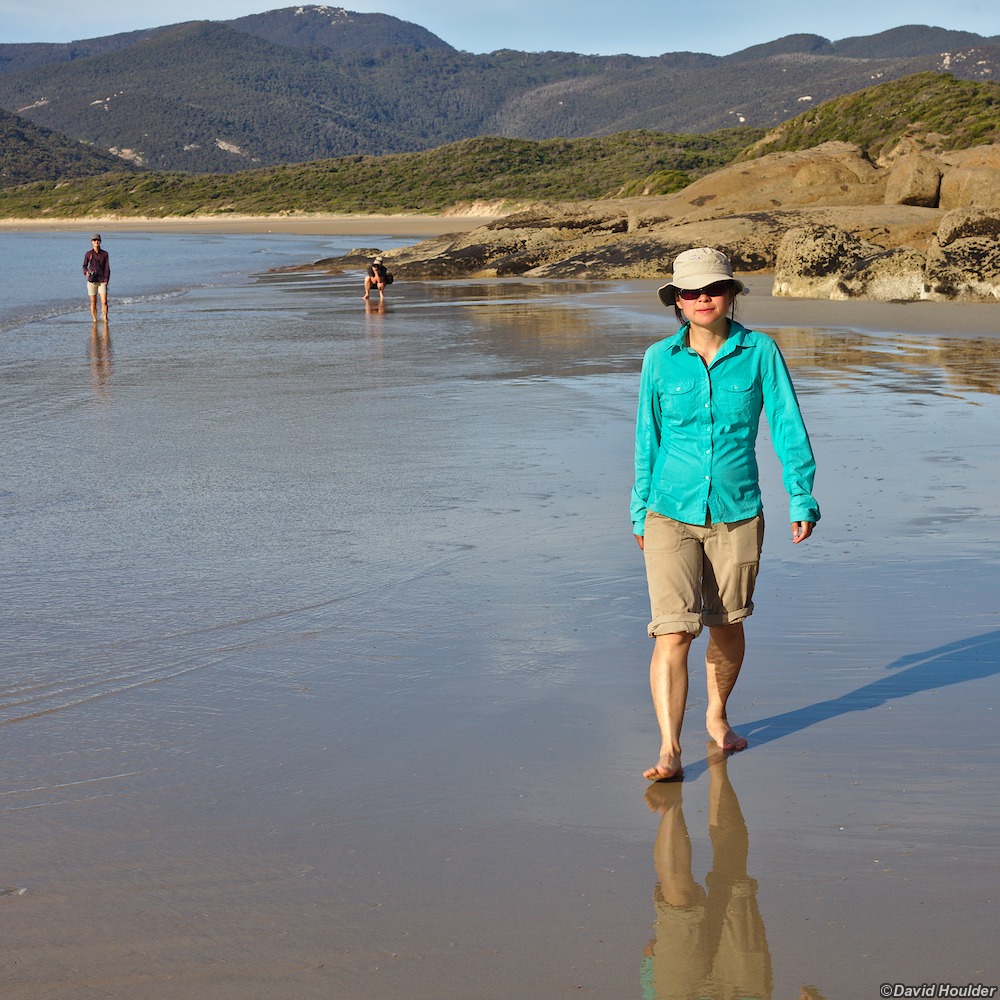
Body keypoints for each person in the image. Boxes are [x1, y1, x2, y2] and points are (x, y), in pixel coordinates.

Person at [631, 247, 820, 781]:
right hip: (668, 510)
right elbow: (648, 439)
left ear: (731, 293)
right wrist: (638, 510)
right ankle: (669, 749)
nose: (702, 299)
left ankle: (716, 713)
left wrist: (800, 496)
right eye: (690, 292)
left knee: (726, 624)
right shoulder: (657, 360)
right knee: (672, 632)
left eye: (712, 289)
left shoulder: (760, 352)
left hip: (737, 512)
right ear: (677, 302)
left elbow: (787, 426)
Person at [83, 234, 110, 321]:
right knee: (93, 302)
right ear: (91, 242)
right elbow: (84, 266)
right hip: (91, 281)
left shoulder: (105, 254)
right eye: (94, 240)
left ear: (100, 242)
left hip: (102, 281)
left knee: (104, 301)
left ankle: (105, 318)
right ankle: (94, 319)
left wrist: (106, 279)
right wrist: (87, 272)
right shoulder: (88, 254)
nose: (96, 242)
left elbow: (107, 268)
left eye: (98, 240)